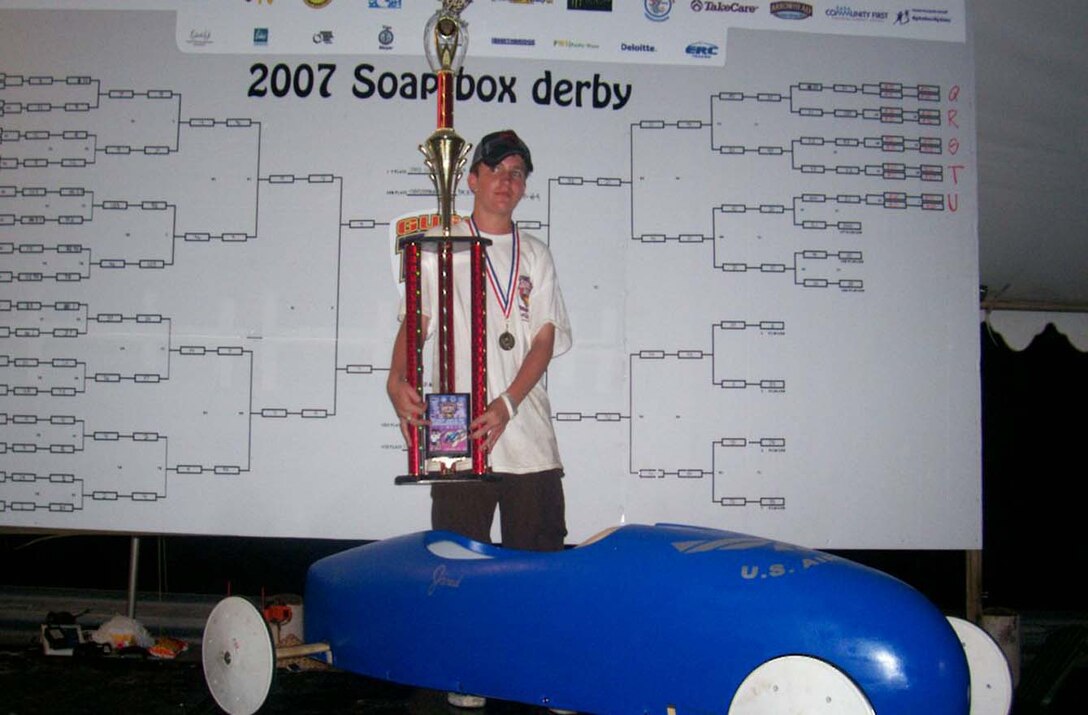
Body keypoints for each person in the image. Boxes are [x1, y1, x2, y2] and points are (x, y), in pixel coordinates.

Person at [387, 129, 572, 555]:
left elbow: (543, 340)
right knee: (456, 573)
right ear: (471, 180)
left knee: (538, 572)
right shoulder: (440, 244)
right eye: (496, 169)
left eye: (518, 173)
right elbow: (416, 322)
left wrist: (506, 405)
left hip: (528, 440)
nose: (507, 181)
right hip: (459, 436)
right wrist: (396, 381)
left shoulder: (535, 254)